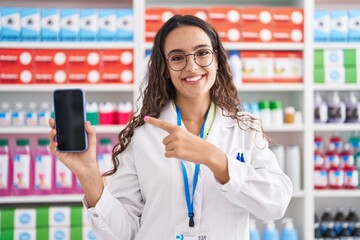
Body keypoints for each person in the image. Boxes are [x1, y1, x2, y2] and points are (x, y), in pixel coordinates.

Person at [49, 14, 293, 240]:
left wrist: (215, 159)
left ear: (216, 59)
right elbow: (124, 233)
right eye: (177, 58)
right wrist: (88, 175)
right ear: (164, 69)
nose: (192, 66)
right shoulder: (142, 135)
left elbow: (276, 204)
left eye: (202, 53)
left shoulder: (244, 130)